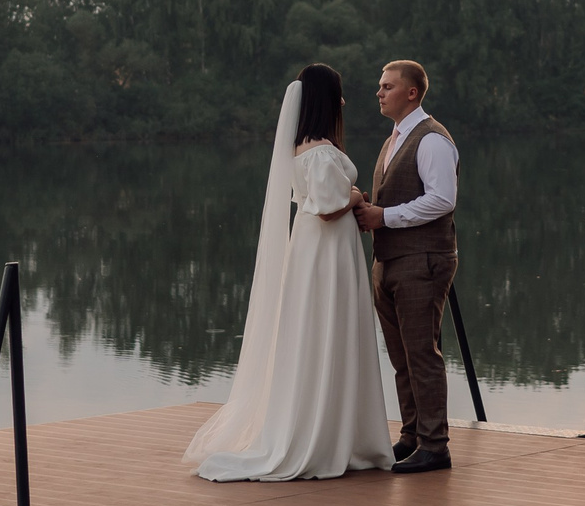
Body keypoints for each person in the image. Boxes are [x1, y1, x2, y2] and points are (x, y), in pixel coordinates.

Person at [182, 65, 395, 481]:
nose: (345, 102)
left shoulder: (310, 147)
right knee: (324, 329)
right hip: (325, 252)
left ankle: (342, 433)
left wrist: (346, 195)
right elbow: (332, 207)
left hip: (323, 249)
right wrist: (355, 194)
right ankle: (323, 435)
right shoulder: (315, 151)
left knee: (325, 331)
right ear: (324, 99)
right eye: (339, 94)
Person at [353, 59, 458, 474]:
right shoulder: (395, 137)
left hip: (423, 260)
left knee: (422, 354)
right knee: (401, 356)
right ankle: (413, 435)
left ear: (411, 92)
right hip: (391, 260)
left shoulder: (431, 139)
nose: (379, 92)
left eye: (387, 86)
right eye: (379, 86)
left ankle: (436, 445)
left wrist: (384, 217)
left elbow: (442, 199)